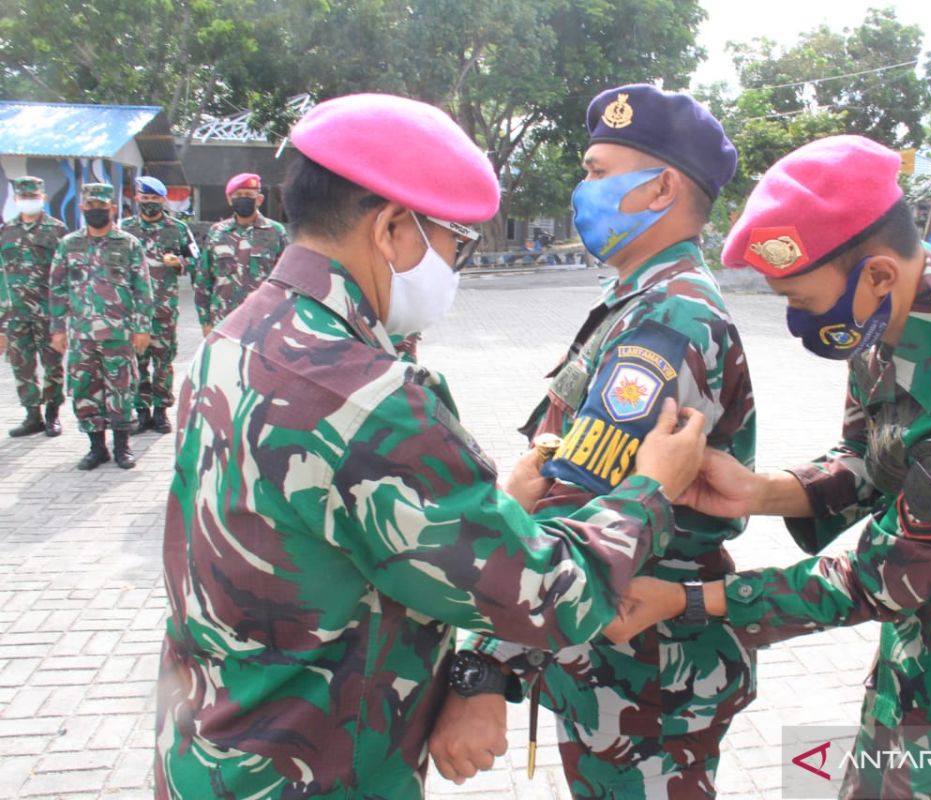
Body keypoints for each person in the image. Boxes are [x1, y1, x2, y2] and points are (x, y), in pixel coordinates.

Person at [153, 92, 709, 800]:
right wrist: (651, 490)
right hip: (315, 773)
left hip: (214, 749)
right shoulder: (366, 395)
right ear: (392, 228)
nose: (455, 266)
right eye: (455, 243)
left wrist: (496, 507)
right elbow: (550, 598)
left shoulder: (237, 337)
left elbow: (326, 529)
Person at [608, 135, 931, 798]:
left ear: (877, 275)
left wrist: (687, 601)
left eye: (802, 302)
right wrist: (761, 491)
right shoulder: (894, 311)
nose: (795, 321)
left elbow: (872, 580)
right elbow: (869, 461)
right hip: (927, 619)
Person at [434, 84, 756, 799]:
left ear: (660, 188)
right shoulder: (639, 300)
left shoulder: (668, 321)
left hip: (645, 676)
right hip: (614, 656)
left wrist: (485, 667)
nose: (584, 190)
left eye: (597, 171)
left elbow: (578, 510)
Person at [48, 182, 152, 470]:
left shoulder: (128, 243)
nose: (96, 211)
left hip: (118, 333)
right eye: (91, 206)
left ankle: (122, 447)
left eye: (102, 207)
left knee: (121, 388)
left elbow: (143, 288)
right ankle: (97, 448)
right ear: (82, 208)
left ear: (113, 208)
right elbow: (57, 288)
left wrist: (142, 327)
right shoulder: (68, 244)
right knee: (84, 389)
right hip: (82, 335)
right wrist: (57, 328)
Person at [119, 175, 199, 435]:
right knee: (138, 361)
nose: (150, 203)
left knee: (163, 361)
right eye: (145, 198)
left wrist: (180, 263)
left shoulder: (176, 228)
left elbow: (197, 258)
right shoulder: (125, 228)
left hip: (164, 307)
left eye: (155, 198)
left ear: (163, 200)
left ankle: (161, 411)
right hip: (134, 310)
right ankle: (141, 412)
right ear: (137, 198)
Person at [0, 176, 68, 437]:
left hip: (48, 312)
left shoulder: (57, 230)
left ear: (43, 198)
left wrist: (63, 314)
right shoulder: (7, 230)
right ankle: (32, 415)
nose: (29, 201)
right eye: (24, 197)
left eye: (34, 197)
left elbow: (65, 274)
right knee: (21, 364)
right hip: (15, 314)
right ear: (16, 199)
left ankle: (52, 414)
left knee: (52, 364)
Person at [193, 172, 288, 335]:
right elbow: (204, 278)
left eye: (249, 195)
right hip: (222, 322)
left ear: (259, 199)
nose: (243, 198)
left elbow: (286, 279)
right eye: (238, 195)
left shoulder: (275, 232)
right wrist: (205, 321)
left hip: (262, 324)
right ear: (230, 199)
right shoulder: (217, 232)